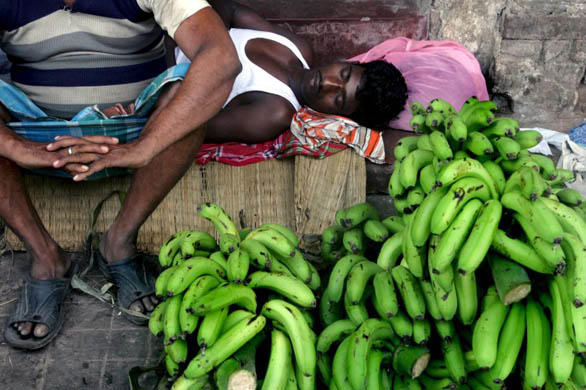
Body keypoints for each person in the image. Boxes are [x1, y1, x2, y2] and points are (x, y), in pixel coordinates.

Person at [0, 0, 240, 349]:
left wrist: (144, 147)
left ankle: (119, 242)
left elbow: (222, 58)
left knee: (191, 91)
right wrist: (15, 147)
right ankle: (46, 257)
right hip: (34, 130)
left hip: (135, 127)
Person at [145, 0, 409, 145]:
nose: (326, 84)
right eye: (342, 75)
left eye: (338, 99)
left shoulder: (274, 112)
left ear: (339, 115)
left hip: (152, 79)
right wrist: (191, 34)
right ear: (346, 62)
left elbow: (195, 125)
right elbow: (231, 9)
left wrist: (172, 57)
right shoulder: (296, 48)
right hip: (162, 27)